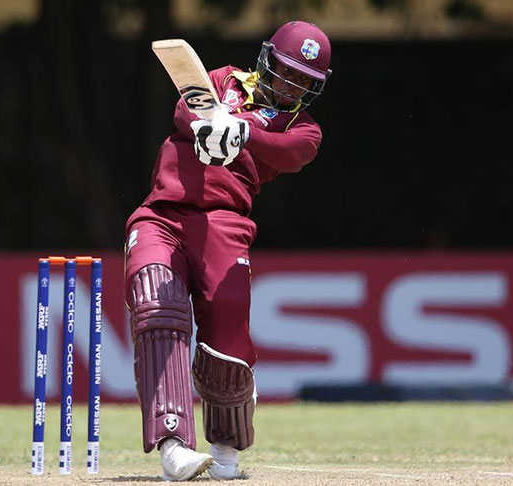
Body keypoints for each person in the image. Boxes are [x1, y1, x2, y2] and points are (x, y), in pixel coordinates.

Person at [124, 20, 332, 481]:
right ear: (268, 61)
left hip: (225, 225)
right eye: (287, 71)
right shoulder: (223, 81)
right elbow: (184, 108)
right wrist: (209, 119)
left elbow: (288, 152)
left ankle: (225, 452)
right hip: (163, 213)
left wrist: (239, 132)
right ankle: (174, 445)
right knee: (158, 306)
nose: (292, 85)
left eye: (305, 81)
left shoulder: (305, 128)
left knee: (228, 328)